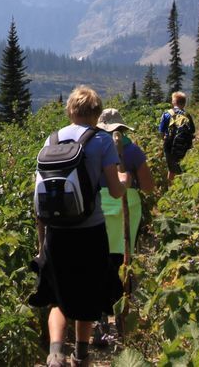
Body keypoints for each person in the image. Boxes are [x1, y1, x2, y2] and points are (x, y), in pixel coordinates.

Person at [29, 86, 127, 367]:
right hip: (90, 231)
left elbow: (39, 195)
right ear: (96, 114)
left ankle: (55, 353)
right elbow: (115, 191)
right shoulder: (102, 141)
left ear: (70, 110)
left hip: (56, 232)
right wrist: (124, 181)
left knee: (57, 297)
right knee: (88, 294)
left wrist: (42, 241)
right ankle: (80, 356)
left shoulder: (51, 141)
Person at [91, 107, 155, 348]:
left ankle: (100, 321)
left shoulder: (92, 148)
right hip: (127, 207)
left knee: (100, 259)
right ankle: (122, 319)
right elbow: (148, 186)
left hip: (98, 208)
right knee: (122, 260)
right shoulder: (132, 150)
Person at [157, 90, 195, 182]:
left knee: (171, 169)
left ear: (174, 102)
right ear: (184, 103)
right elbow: (192, 131)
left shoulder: (167, 114)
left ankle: (170, 189)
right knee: (182, 167)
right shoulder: (187, 115)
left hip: (169, 144)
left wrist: (164, 139)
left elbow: (161, 132)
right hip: (184, 145)